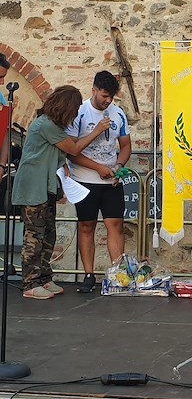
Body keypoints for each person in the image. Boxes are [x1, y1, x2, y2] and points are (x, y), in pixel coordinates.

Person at [11, 85, 110, 299]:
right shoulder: (45, 124)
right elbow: (74, 148)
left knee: (48, 233)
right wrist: (96, 131)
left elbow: (68, 144)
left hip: (46, 187)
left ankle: (44, 278)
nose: (75, 115)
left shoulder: (52, 127)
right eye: (74, 111)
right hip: (33, 187)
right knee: (34, 235)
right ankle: (30, 282)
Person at [66, 71, 131, 293]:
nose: (108, 101)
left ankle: (117, 273)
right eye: (104, 96)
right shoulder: (79, 113)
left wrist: (118, 167)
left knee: (115, 225)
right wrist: (98, 168)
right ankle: (88, 274)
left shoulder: (118, 114)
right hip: (85, 178)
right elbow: (72, 151)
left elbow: (125, 146)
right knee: (87, 226)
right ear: (93, 90)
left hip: (111, 180)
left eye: (111, 97)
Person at [0, 53, 11, 179]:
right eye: (0, 77)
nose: (2, 82)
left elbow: (5, 133)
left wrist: (2, 165)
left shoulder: (1, 98)